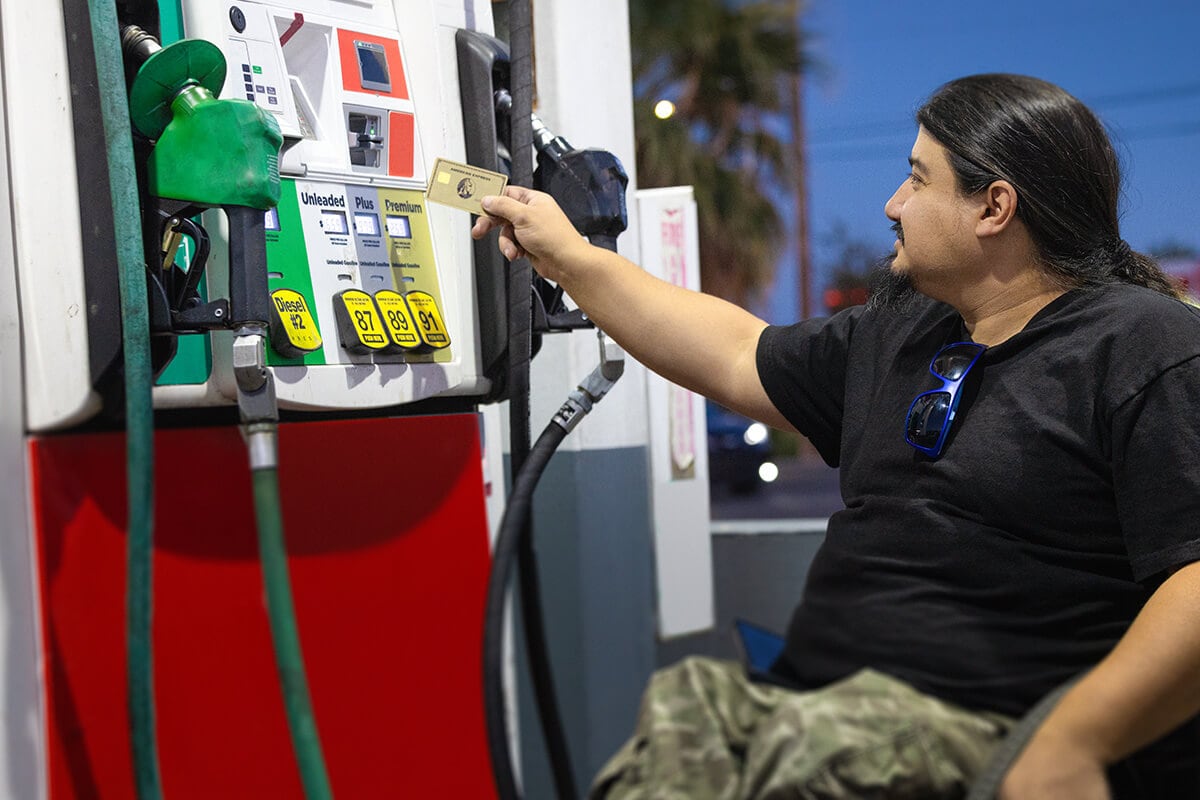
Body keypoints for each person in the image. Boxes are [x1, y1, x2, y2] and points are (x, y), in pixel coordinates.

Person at [472, 73, 1200, 799]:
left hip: (984, 738)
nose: (893, 204)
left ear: (995, 207)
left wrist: (1074, 742)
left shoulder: (1146, 344)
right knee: (686, 710)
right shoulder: (902, 331)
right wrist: (567, 254)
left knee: (805, 745)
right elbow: (731, 351)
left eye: (918, 179)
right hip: (812, 714)